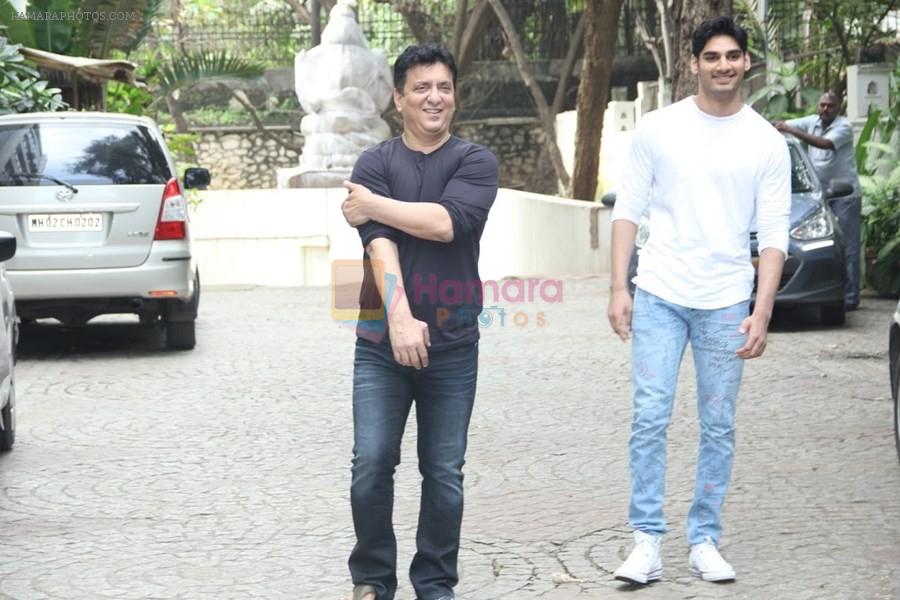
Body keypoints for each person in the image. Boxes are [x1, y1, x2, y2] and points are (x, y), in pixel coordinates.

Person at [607, 16, 791, 585]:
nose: (723, 65)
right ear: (694, 63)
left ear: (745, 62)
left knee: (718, 425)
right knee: (650, 416)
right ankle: (646, 542)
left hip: (726, 301)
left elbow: (775, 234)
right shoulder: (659, 130)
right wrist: (619, 286)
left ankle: (705, 540)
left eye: (732, 56)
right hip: (660, 292)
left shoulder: (765, 140)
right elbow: (627, 211)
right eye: (712, 56)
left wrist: (761, 311)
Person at [340, 43, 499, 600]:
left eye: (445, 87)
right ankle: (373, 581)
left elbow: (444, 225)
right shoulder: (375, 164)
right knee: (372, 463)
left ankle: (434, 584)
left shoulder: (475, 162)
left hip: (454, 345)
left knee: (445, 474)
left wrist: (371, 204)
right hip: (381, 344)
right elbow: (380, 246)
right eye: (422, 88)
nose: (435, 98)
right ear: (398, 97)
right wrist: (401, 319)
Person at [774, 93, 862, 310]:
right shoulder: (811, 122)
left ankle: (850, 297)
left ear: (838, 108)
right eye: (822, 105)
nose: (825, 109)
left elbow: (824, 143)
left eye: (830, 106)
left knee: (847, 248)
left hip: (844, 196)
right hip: (816, 196)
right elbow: (782, 125)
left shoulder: (844, 128)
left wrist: (793, 131)